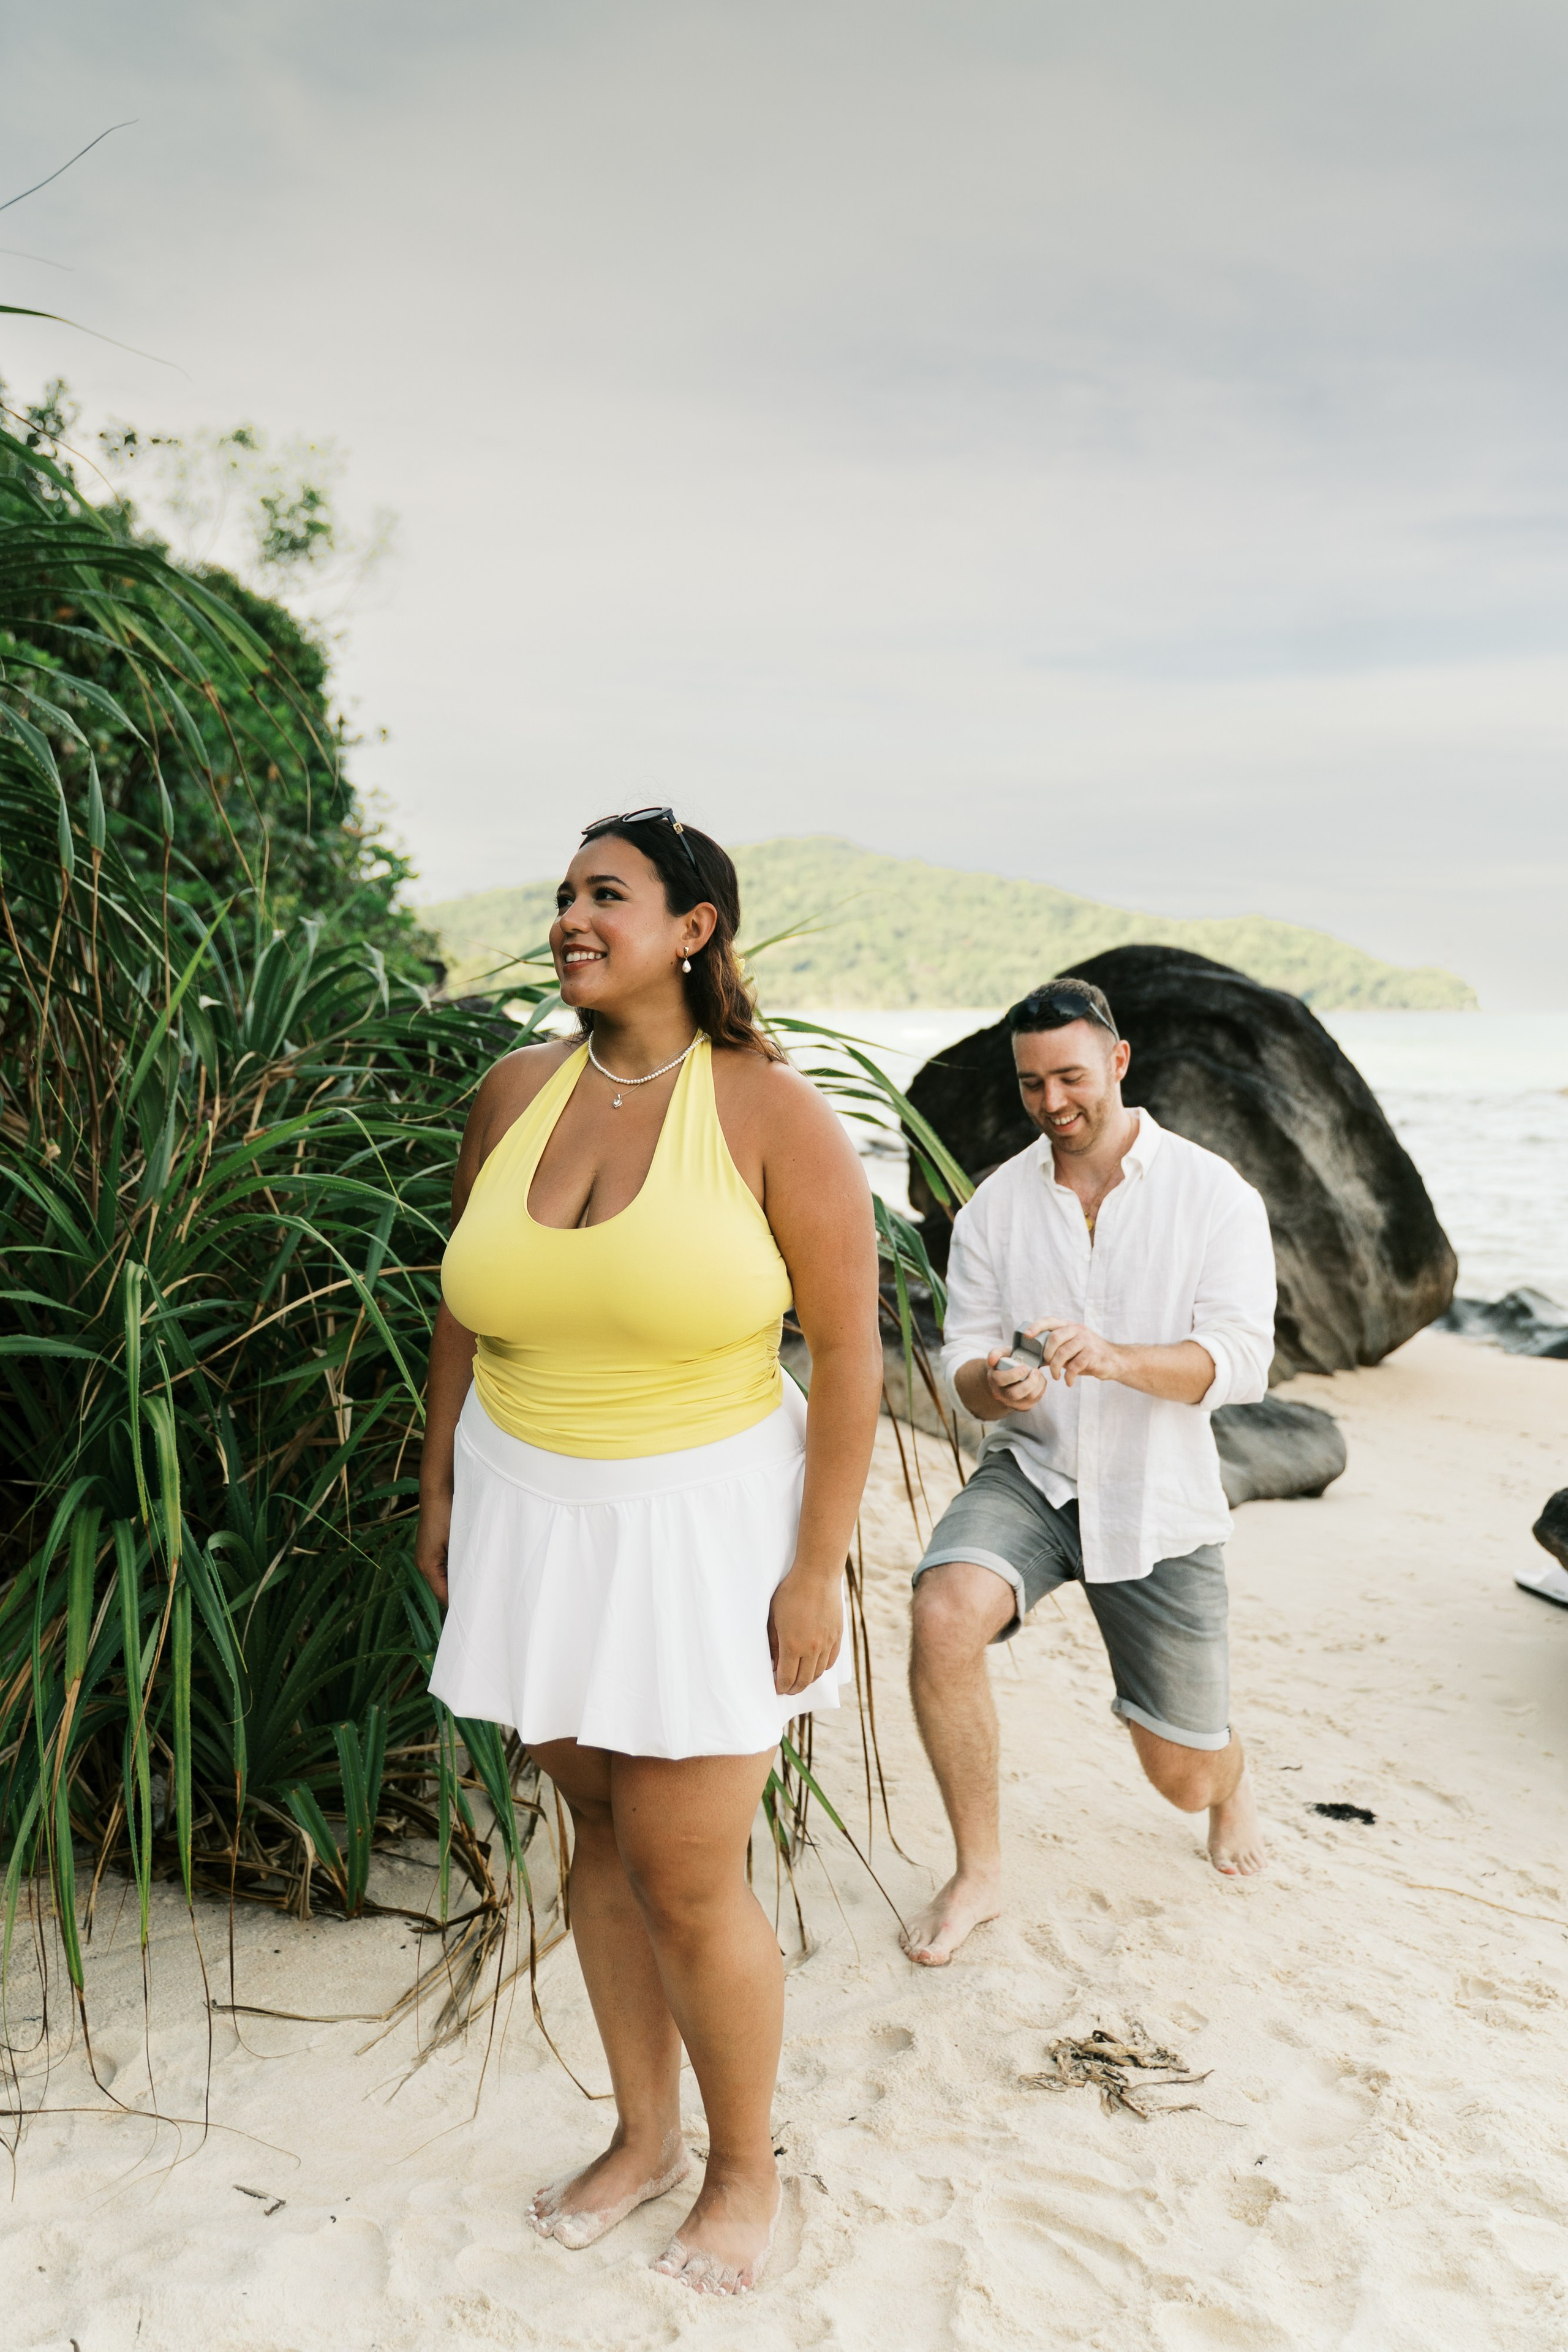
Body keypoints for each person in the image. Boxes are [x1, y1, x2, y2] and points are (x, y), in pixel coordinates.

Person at [417, 810, 882, 2293]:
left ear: (692, 929)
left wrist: (815, 1568)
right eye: (560, 894)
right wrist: (435, 1493)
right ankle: (642, 2136)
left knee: (687, 1867)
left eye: (604, 895)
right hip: (525, 1511)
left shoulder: (770, 1113)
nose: (569, 915)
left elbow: (857, 1355)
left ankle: (743, 2172)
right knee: (596, 1839)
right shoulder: (511, 1092)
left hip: (700, 1531)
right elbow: (463, 1312)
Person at [901, 978, 1276, 1969]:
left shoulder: (1214, 1194)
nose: (1052, 1102)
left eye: (1070, 1076)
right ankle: (978, 1872)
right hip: (1037, 1475)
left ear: (1118, 1061)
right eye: (1031, 1085)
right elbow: (963, 1362)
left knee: (1182, 1779)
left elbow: (1243, 1362)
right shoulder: (994, 1206)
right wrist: (995, 1382)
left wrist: (1116, 1359)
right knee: (943, 1613)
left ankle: (1231, 1775)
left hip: (1162, 1498)